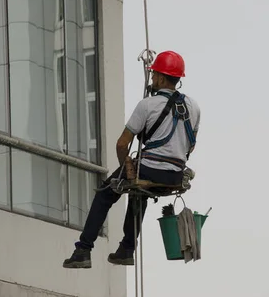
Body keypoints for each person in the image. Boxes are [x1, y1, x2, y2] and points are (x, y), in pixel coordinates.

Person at [62, 50, 201, 269]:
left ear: (162, 78)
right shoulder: (194, 108)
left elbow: (121, 143)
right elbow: (190, 145)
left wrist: (125, 168)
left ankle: (83, 250)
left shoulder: (147, 105)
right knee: (139, 194)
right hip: (175, 174)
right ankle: (126, 250)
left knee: (106, 193)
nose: (153, 78)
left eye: (155, 75)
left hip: (148, 169)